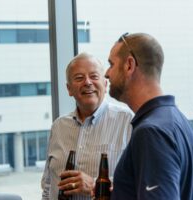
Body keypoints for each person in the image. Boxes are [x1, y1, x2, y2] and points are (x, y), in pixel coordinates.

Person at [105, 32, 193, 200]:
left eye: (111, 64)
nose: (106, 73)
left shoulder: (151, 132)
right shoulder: (180, 122)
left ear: (129, 65)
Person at [41, 52, 133, 199]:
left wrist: (95, 185)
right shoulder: (58, 126)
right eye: (79, 78)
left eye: (94, 76)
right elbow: (48, 185)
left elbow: (137, 184)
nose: (87, 82)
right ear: (69, 89)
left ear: (105, 84)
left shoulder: (128, 122)